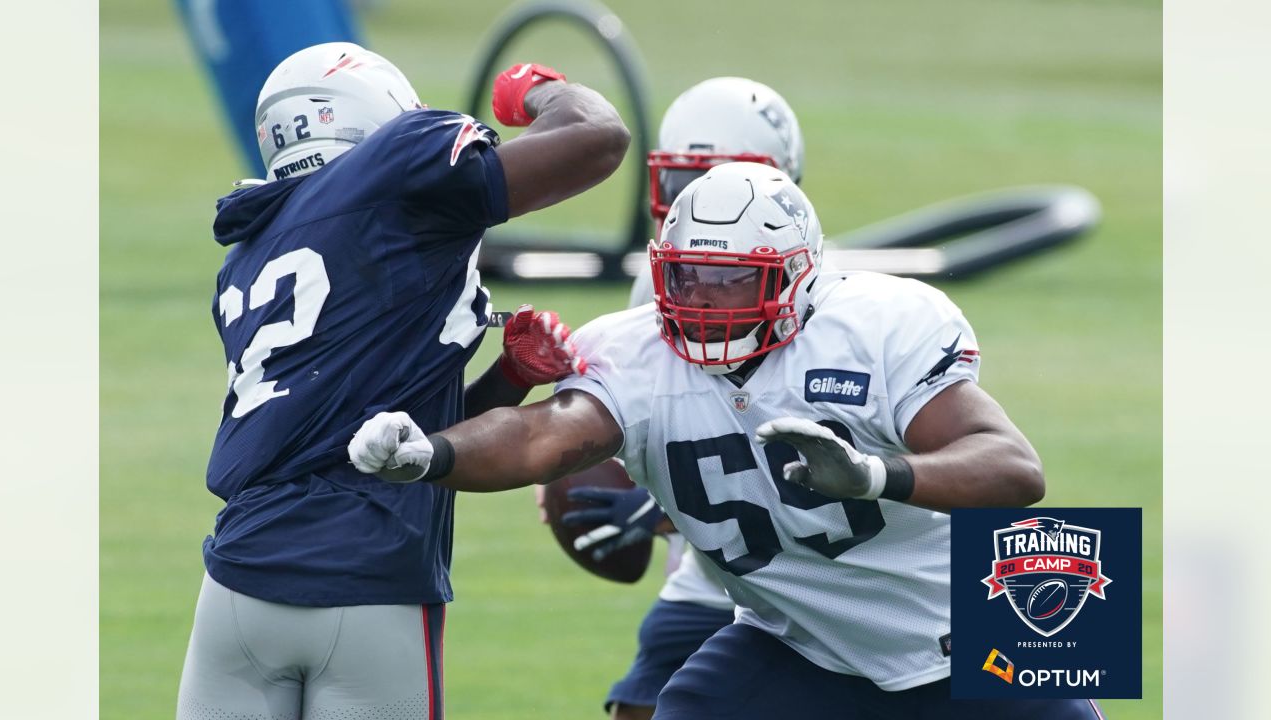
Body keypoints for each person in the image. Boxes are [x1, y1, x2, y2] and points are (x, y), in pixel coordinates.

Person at [348, 162, 1105, 719]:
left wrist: (877, 476)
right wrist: (432, 454)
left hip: (974, 617)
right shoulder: (636, 350)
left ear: (797, 277)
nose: (701, 299)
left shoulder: (878, 327)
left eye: (729, 278)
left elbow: (1016, 470)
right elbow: (544, 437)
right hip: (800, 639)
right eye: (687, 276)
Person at [175, 42, 629, 720]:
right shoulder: (399, 165)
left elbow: (393, 439)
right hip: (369, 577)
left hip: (237, 590)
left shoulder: (250, 251)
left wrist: (508, 377)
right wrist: (538, 89)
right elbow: (598, 138)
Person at [540, 77, 805, 720]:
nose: (706, 206)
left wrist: (664, 509)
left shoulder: (853, 310)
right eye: (684, 184)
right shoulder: (661, 284)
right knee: (647, 702)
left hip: (837, 574)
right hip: (723, 573)